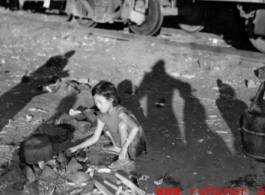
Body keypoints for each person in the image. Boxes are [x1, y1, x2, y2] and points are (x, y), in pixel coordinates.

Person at [67, 80, 147, 169]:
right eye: (95, 102)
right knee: (104, 124)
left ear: (111, 100)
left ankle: (125, 160)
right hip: (123, 142)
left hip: (135, 147)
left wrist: (124, 148)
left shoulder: (120, 112)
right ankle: (118, 148)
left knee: (122, 125)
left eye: (100, 102)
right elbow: (95, 138)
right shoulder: (102, 115)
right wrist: (77, 147)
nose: (97, 105)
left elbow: (135, 128)